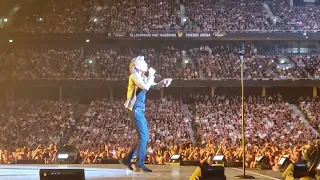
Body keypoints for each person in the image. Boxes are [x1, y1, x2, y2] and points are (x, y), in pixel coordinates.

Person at [119, 56, 172, 172]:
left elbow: (154, 86)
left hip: (138, 109)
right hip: (135, 109)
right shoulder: (134, 76)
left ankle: (128, 159)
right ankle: (139, 163)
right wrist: (151, 74)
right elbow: (146, 87)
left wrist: (163, 82)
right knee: (144, 136)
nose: (146, 65)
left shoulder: (142, 76)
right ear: (137, 67)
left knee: (142, 137)